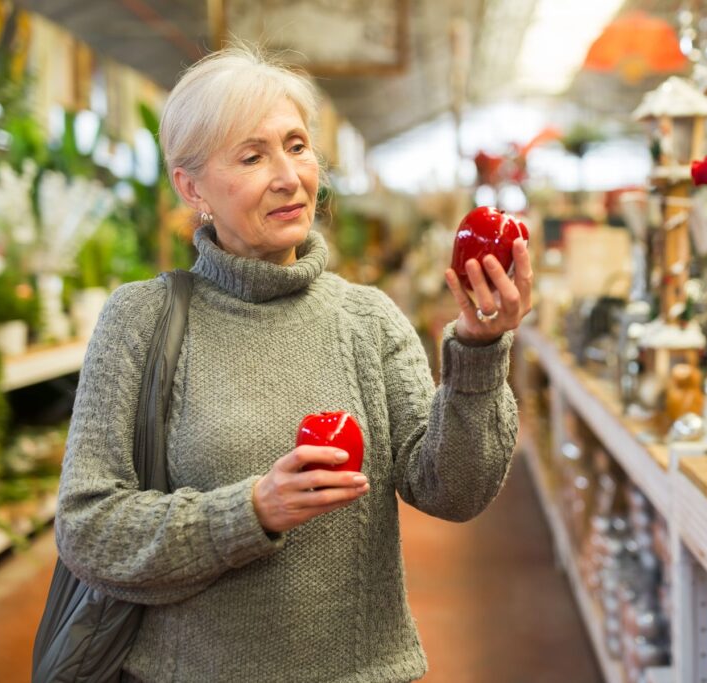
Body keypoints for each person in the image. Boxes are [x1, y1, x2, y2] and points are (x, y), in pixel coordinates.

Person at [54, 44, 532, 682]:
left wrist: (477, 348)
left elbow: (454, 492)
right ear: (191, 186)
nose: (289, 176)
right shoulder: (141, 321)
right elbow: (89, 528)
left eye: (298, 145)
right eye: (253, 156)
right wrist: (252, 511)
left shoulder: (369, 319)